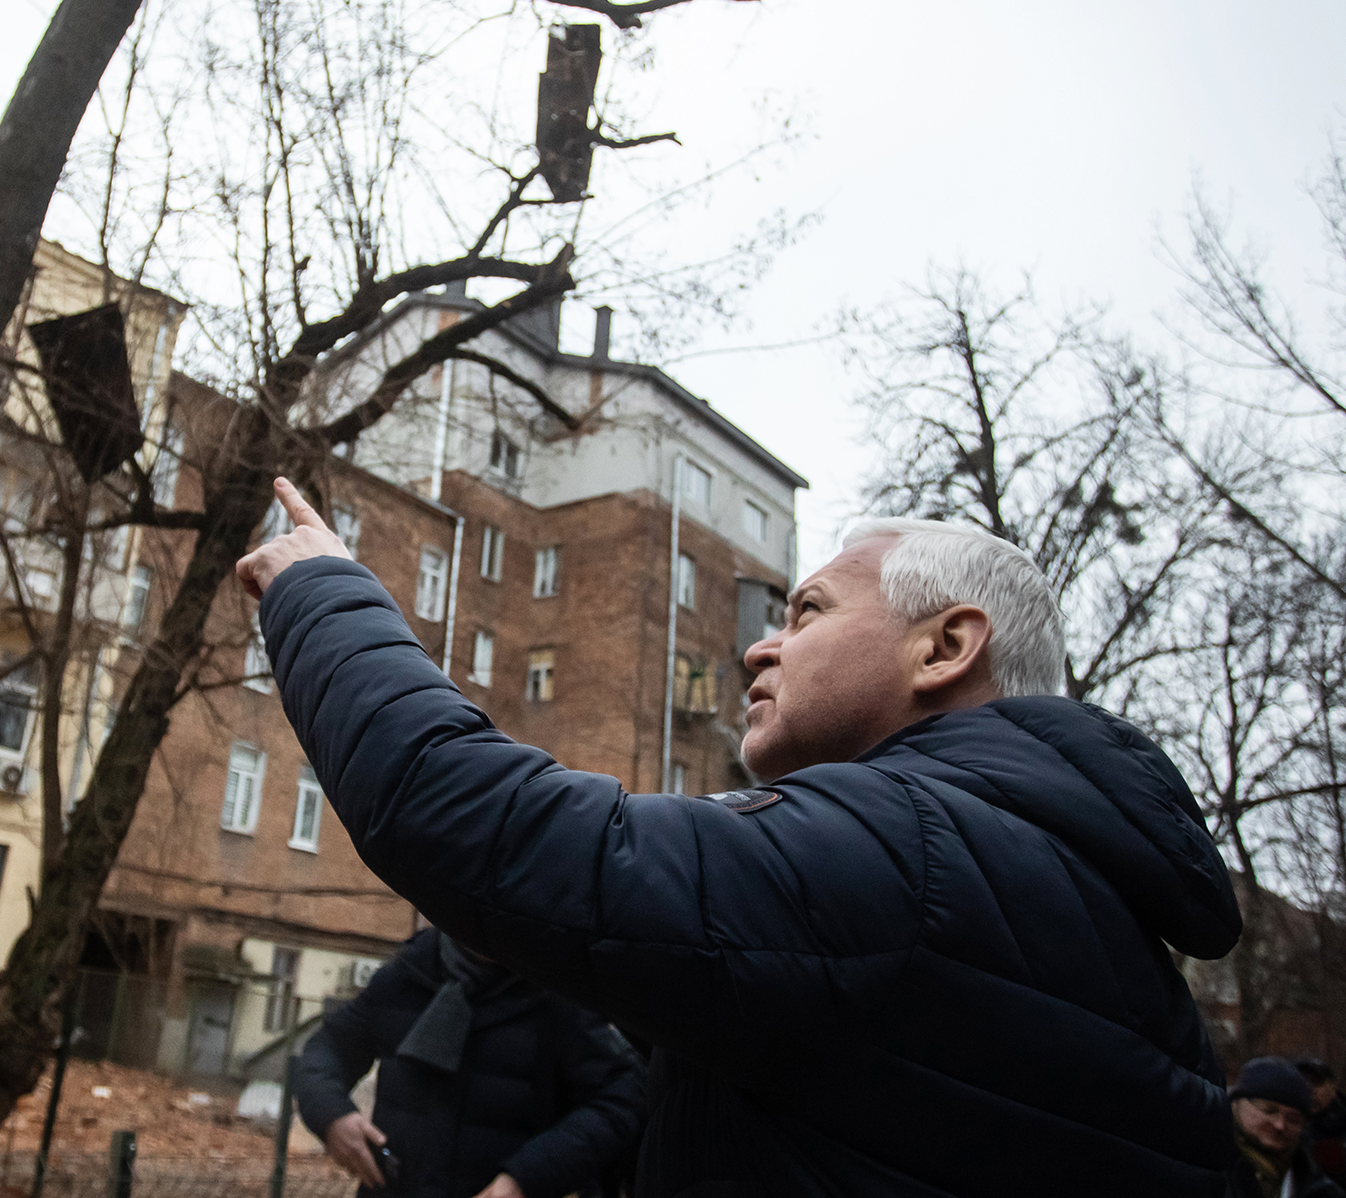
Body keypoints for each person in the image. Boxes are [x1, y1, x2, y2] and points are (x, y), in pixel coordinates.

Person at [237, 482, 1241, 1195]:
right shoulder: (1075, 904)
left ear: (943, 646)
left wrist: (320, 591)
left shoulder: (905, 852)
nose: (761, 643)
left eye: (806, 611)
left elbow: (477, 826)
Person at [293, 927, 644, 1198]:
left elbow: (624, 1096)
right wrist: (331, 1114)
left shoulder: (558, 993)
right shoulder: (406, 974)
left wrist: (527, 1177)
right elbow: (327, 1048)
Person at [1227, 1057, 1343, 1197]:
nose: (1280, 1125)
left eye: (1293, 1119)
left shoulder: (1319, 1186)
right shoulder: (1207, 1168)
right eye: (1268, 1110)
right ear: (1236, 1104)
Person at [1297, 1057, 1346, 1183]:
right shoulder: (1283, 1128)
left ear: (1333, 1087)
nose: (1309, 1089)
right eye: (1300, 1082)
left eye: (1316, 1082)